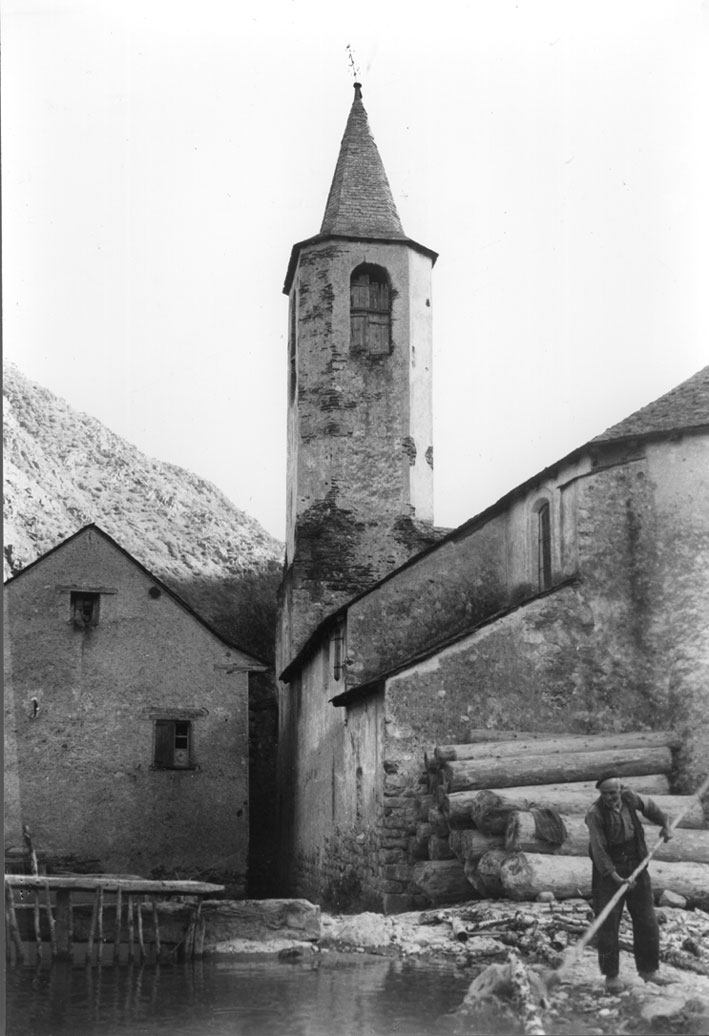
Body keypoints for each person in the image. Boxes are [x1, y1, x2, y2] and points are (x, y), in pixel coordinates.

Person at [585, 773, 673, 993]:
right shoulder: (595, 814)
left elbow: (651, 807)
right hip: (608, 873)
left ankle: (648, 970)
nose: (609, 798)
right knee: (608, 923)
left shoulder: (631, 798)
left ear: (620, 789)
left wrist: (665, 824)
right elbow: (599, 850)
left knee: (646, 918)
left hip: (637, 863)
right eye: (604, 794)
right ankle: (611, 976)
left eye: (613, 793)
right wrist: (615, 877)